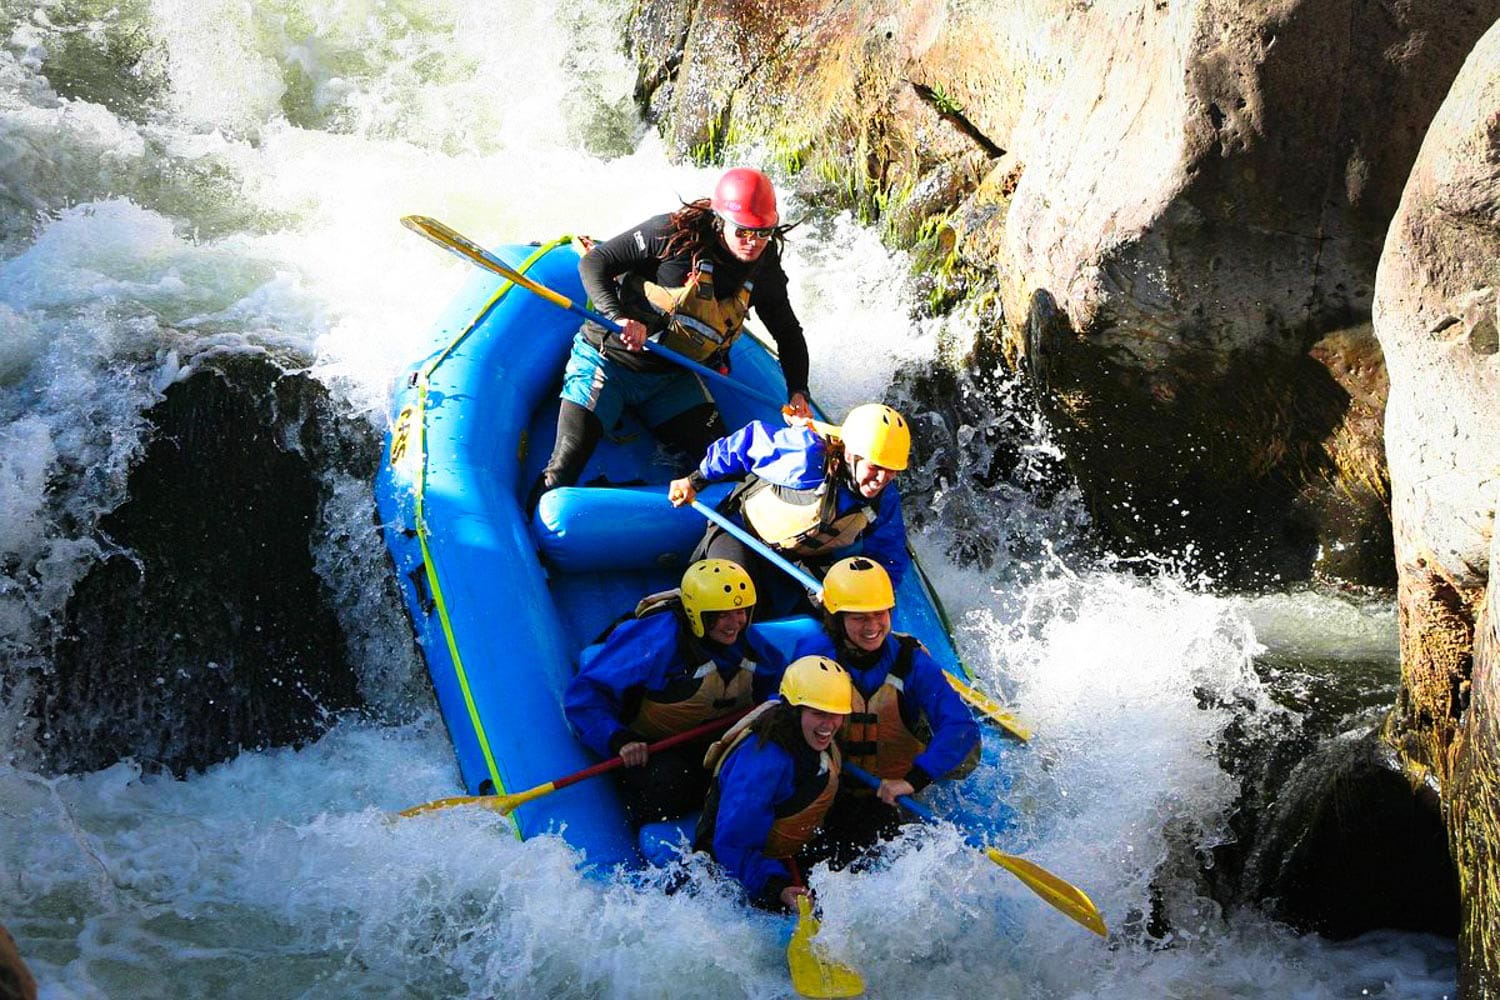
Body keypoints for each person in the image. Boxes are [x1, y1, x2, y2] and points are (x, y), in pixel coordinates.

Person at [529, 167, 812, 509]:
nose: (753, 242)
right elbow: (595, 262)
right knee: (564, 466)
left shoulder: (764, 269)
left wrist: (798, 390)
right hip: (608, 362)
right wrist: (619, 318)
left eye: (763, 231)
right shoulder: (672, 235)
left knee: (725, 469)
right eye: (744, 231)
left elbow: (788, 333)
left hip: (671, 379)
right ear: (721, 220)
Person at [790, 556, 981, 864]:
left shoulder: (912, 662)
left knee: (865, 842)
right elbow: (785, 714)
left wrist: (913, 780)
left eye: (880, 614)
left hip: (890, 791)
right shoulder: (815, 655)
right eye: (859, 618)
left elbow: (961, 726)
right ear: (837, 619)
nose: (872, 627)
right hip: (833, 783)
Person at [563, 559, 772, 826]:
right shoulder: (656, 640)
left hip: (715, 742)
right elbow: (585, 693)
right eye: (722, 615)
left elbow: (776, 686)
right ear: (699, 614)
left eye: (741, 611)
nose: (735, 623)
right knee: (667, 788)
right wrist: (619, 739)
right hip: (654, 748)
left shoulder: (747, 642)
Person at [667, 402, 912, 615]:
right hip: (740, 531)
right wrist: (695, 480)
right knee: (730, 603)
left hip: (799, 555)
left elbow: (888, 553)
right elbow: (748, 442)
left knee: (844, 609)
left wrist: (874, 600)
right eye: (875, 466)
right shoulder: (807, 457)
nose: (882, 477)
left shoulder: (884, 499)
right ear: (850, 454)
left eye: (891, 470)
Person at [694, 655, 853, 911]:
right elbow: (732, 843)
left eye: (836, 715)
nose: (829, 724)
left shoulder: (814, 739)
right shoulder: (764, 761)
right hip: (733, 862)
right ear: (795, 710)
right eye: (818, 714)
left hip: (782, 847)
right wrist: (776, 888)